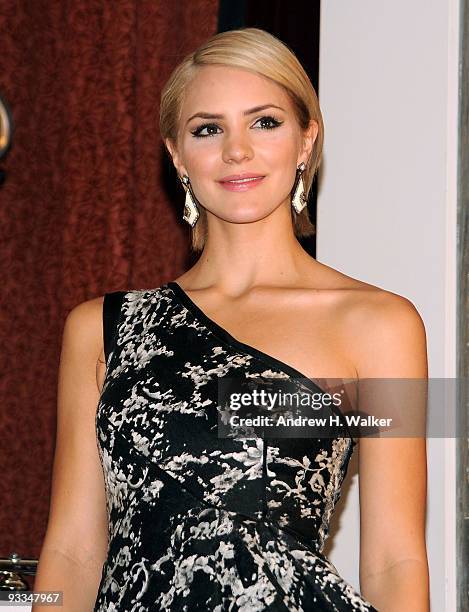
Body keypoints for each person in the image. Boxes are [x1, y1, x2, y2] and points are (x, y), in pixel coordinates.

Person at [34, 27, 430, 611]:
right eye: (208, 129)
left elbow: (396, 559)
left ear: (305, 141)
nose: (236, 150)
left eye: (264, 122)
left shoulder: (382, 324)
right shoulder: (98, 327)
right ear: (177, 155)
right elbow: (71, 549)